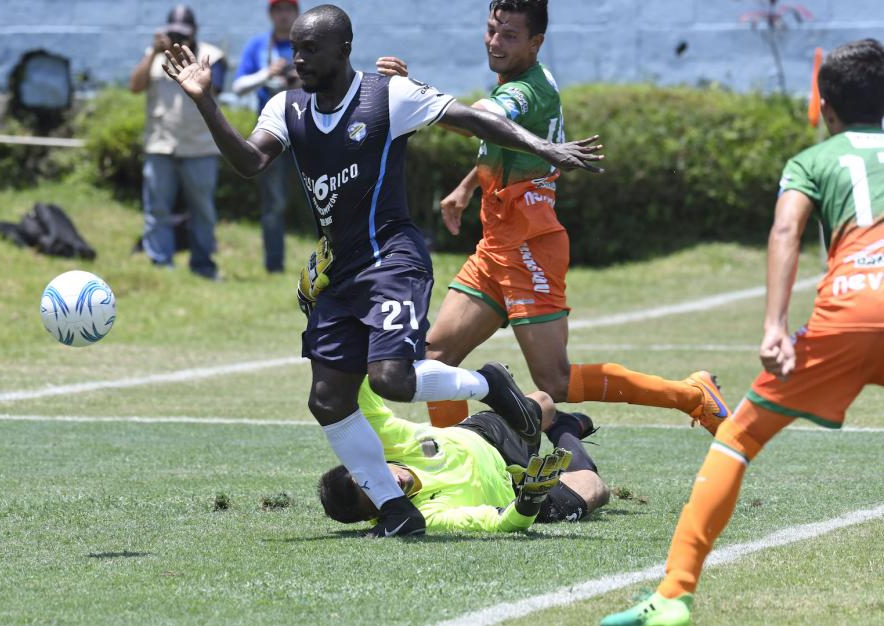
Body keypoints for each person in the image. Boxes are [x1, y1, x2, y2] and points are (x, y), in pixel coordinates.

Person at [161, 4, 603, 537]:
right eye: (295, 48)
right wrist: (204, 100)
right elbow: (249, 161)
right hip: (338, 274)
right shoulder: (286, 106)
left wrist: (543, 146)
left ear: (343, 50)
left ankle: (487, 385)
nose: (298, 58)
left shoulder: (386, 97)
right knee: (327, 399)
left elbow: (473, 117)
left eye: (311, 50)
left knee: (391, 378)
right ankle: (397, 511)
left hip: (392, 260)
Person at [602, 39, 884, 626]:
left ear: (825, 105)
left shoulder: (813, 160)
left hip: (847, 316)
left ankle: (674, 593)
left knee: (737, 439)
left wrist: (775, 326)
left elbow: (786, 233)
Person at [381, 0, 731, 435]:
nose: (495, 42)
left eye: (510, 35)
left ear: (536, 42)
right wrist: (470, 184)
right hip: (496, 248)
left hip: (530, 247)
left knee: (555, 381)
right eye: (492, 29)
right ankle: (464, 459)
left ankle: (692, 396)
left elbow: (476, 123)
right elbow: (514, 142)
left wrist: (410, 88)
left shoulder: (525, 90)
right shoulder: (524, 79)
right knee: (434, 361)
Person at [319, 379, 609, 532]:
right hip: (514, 491)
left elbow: (352, 379)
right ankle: (568, 429)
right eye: (380, 499)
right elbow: (499, 523)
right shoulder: (425, 517)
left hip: (483, 435)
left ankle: (555, 421)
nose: (391, 485)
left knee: (544, 402)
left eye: (377, 481)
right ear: (379, 514)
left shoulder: (379, 441)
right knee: (595, 489)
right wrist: (528, 502)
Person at [129, 5, 227, 280]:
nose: (178, 38)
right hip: (160, 145)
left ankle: (203, 264)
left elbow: (216, 87)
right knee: (156, 207)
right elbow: (135, 86)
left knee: (202, 211)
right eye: (173, 33)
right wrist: (151, 54)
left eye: (183, 34)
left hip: (200, 147)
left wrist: (191, 66)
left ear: (194, 32)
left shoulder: (212, 56)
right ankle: (161, 263)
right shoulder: (155, 56)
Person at [232, 0, 302, 273]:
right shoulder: (257, 45)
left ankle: (331, 265)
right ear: (271, 14)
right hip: (271, 133)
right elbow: (238, 86)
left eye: (289, 9)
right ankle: (275, 265)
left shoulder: (309, 42)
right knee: (273, 203)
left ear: (297, 13)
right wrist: (267, 74)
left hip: (308, 130)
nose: (284, 15)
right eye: (278, 9)